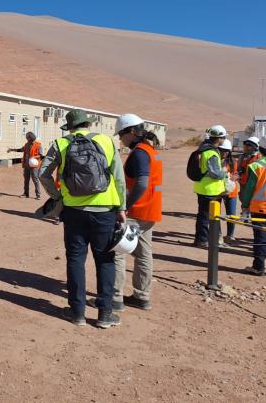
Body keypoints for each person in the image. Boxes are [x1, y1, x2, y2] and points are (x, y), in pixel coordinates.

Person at [40, 109, 126, 329]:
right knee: (105, 260)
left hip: (74, 211)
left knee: (76, 260)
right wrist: (122, 207)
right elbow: (118, 177)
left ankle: (77, 313)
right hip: (105, 211)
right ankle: (105, 314)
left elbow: (43, 174)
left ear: (69, 126)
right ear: (88, 123)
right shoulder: (106, 141)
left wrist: (57, 196)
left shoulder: (60, 144)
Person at [112, 113, 163, 312]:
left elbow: (142, 182)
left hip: (137, 213)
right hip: (149, 210)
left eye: (121, 134)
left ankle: (114, 298)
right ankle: (142, 296)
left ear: (132, 132)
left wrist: (125, 207)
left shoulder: (140, 153)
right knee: (143, 253)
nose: (120, 138)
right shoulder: (150, 150)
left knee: (119, 252)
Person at [239, 134, 266, 276]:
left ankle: (259, 267)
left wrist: (245, 205)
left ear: (261, 149)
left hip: (260, 209)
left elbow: (249, 189)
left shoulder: (256, 166)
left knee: (260, 240)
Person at [191, 125, 228, 248]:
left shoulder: (203, 148)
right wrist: (224, 171)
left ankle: (200, 239)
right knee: (206, 217)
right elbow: (215, 173)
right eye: (223, 137)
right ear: (220, 138)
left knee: (202, 215)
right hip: (210, 190)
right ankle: (203, 240)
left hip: (203, 188)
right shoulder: (211, 152)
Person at [9, 132, 43, 199]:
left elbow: (41, 156)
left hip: (34, 166)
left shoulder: (38, 145)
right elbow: (21, 150)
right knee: (26, 180)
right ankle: (26, 193)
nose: (27, 139)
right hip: (27, 165)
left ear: (31, 137)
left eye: (28, 137)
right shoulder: (27, 145)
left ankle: (38, 194)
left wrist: (34, 157)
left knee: (35, 180)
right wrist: (12, 150)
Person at [218, 139, 239, 245]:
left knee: (231, 215)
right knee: (216, 215)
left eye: (226, 151)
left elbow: (237, 174)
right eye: (222, 150)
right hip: (217, 192)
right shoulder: (215, 161)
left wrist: (234, 178)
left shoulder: (234, 162)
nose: (224, 152)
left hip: (231, 192)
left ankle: (230, 235)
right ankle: (218, 236)